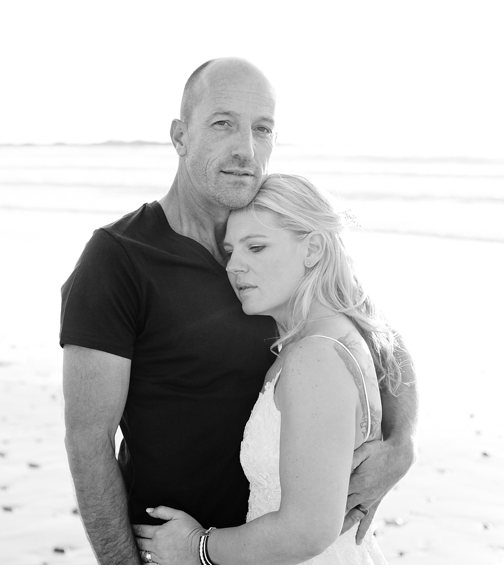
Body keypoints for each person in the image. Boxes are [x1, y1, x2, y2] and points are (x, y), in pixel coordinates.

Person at [60, 58, 418, 564]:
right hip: (173, 547)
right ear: (180, 136)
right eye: (223, 123)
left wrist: (402, 445)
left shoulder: (276, 238)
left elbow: (378, 335)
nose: (246, 149)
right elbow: (87, 443)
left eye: (262, 128)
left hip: (276, 544)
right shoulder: (118, 260)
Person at [133, 173, 399, 564]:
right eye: (230, 251)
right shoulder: (334, 336)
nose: (233, 266)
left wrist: (197, 547)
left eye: (255, 248)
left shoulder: (315, 358)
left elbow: (308, 529)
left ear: (313, 249)